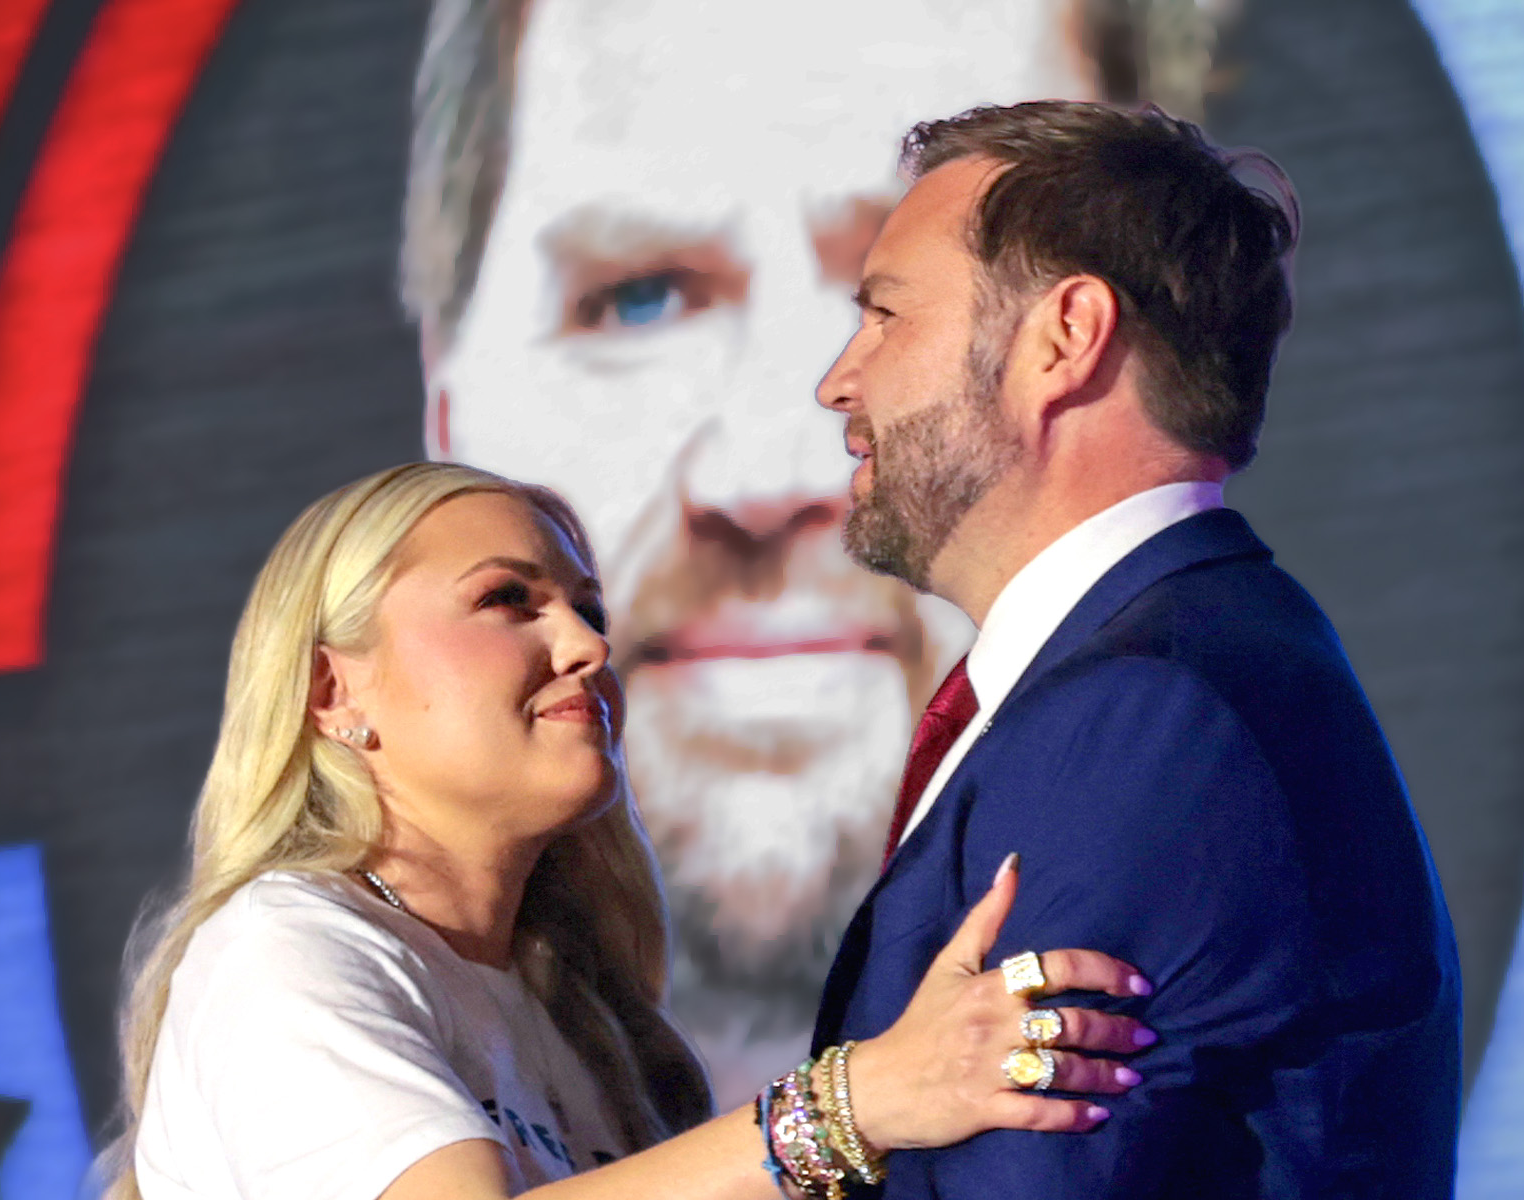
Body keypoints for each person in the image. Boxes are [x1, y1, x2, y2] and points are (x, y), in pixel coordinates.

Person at [399, 0, 1227, 1096]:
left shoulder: (1215, 772)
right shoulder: (313, 991)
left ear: (1097, 345)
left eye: (901, 309)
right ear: (449, 408)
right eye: (640, 299)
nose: (764, 474)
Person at [98, 462, 1158, 1200]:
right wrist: (862, 1098)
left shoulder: (580, 1013)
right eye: (509, 601)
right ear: (333, 690)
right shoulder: (282, 949)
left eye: (587, 609)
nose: (587, 647)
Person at [811, 102, 1462, 1195]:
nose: (841, 378)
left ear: (1063, 338)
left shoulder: (1141, 718)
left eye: (885, 313)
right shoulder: (1179, 663)